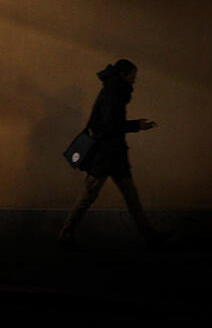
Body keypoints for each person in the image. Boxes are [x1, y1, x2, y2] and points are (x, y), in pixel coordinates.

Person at [58, 59, 172, 248]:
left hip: (113, 154)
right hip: (107, 154)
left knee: (126, 196)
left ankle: (150, 235)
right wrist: (137, 125)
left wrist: (134, 126)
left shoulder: (114, 90)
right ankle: (65, 233)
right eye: (132, 76)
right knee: (90, 194)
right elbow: (109, 125)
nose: (134, 81)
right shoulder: (114, 93)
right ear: (123, 75)